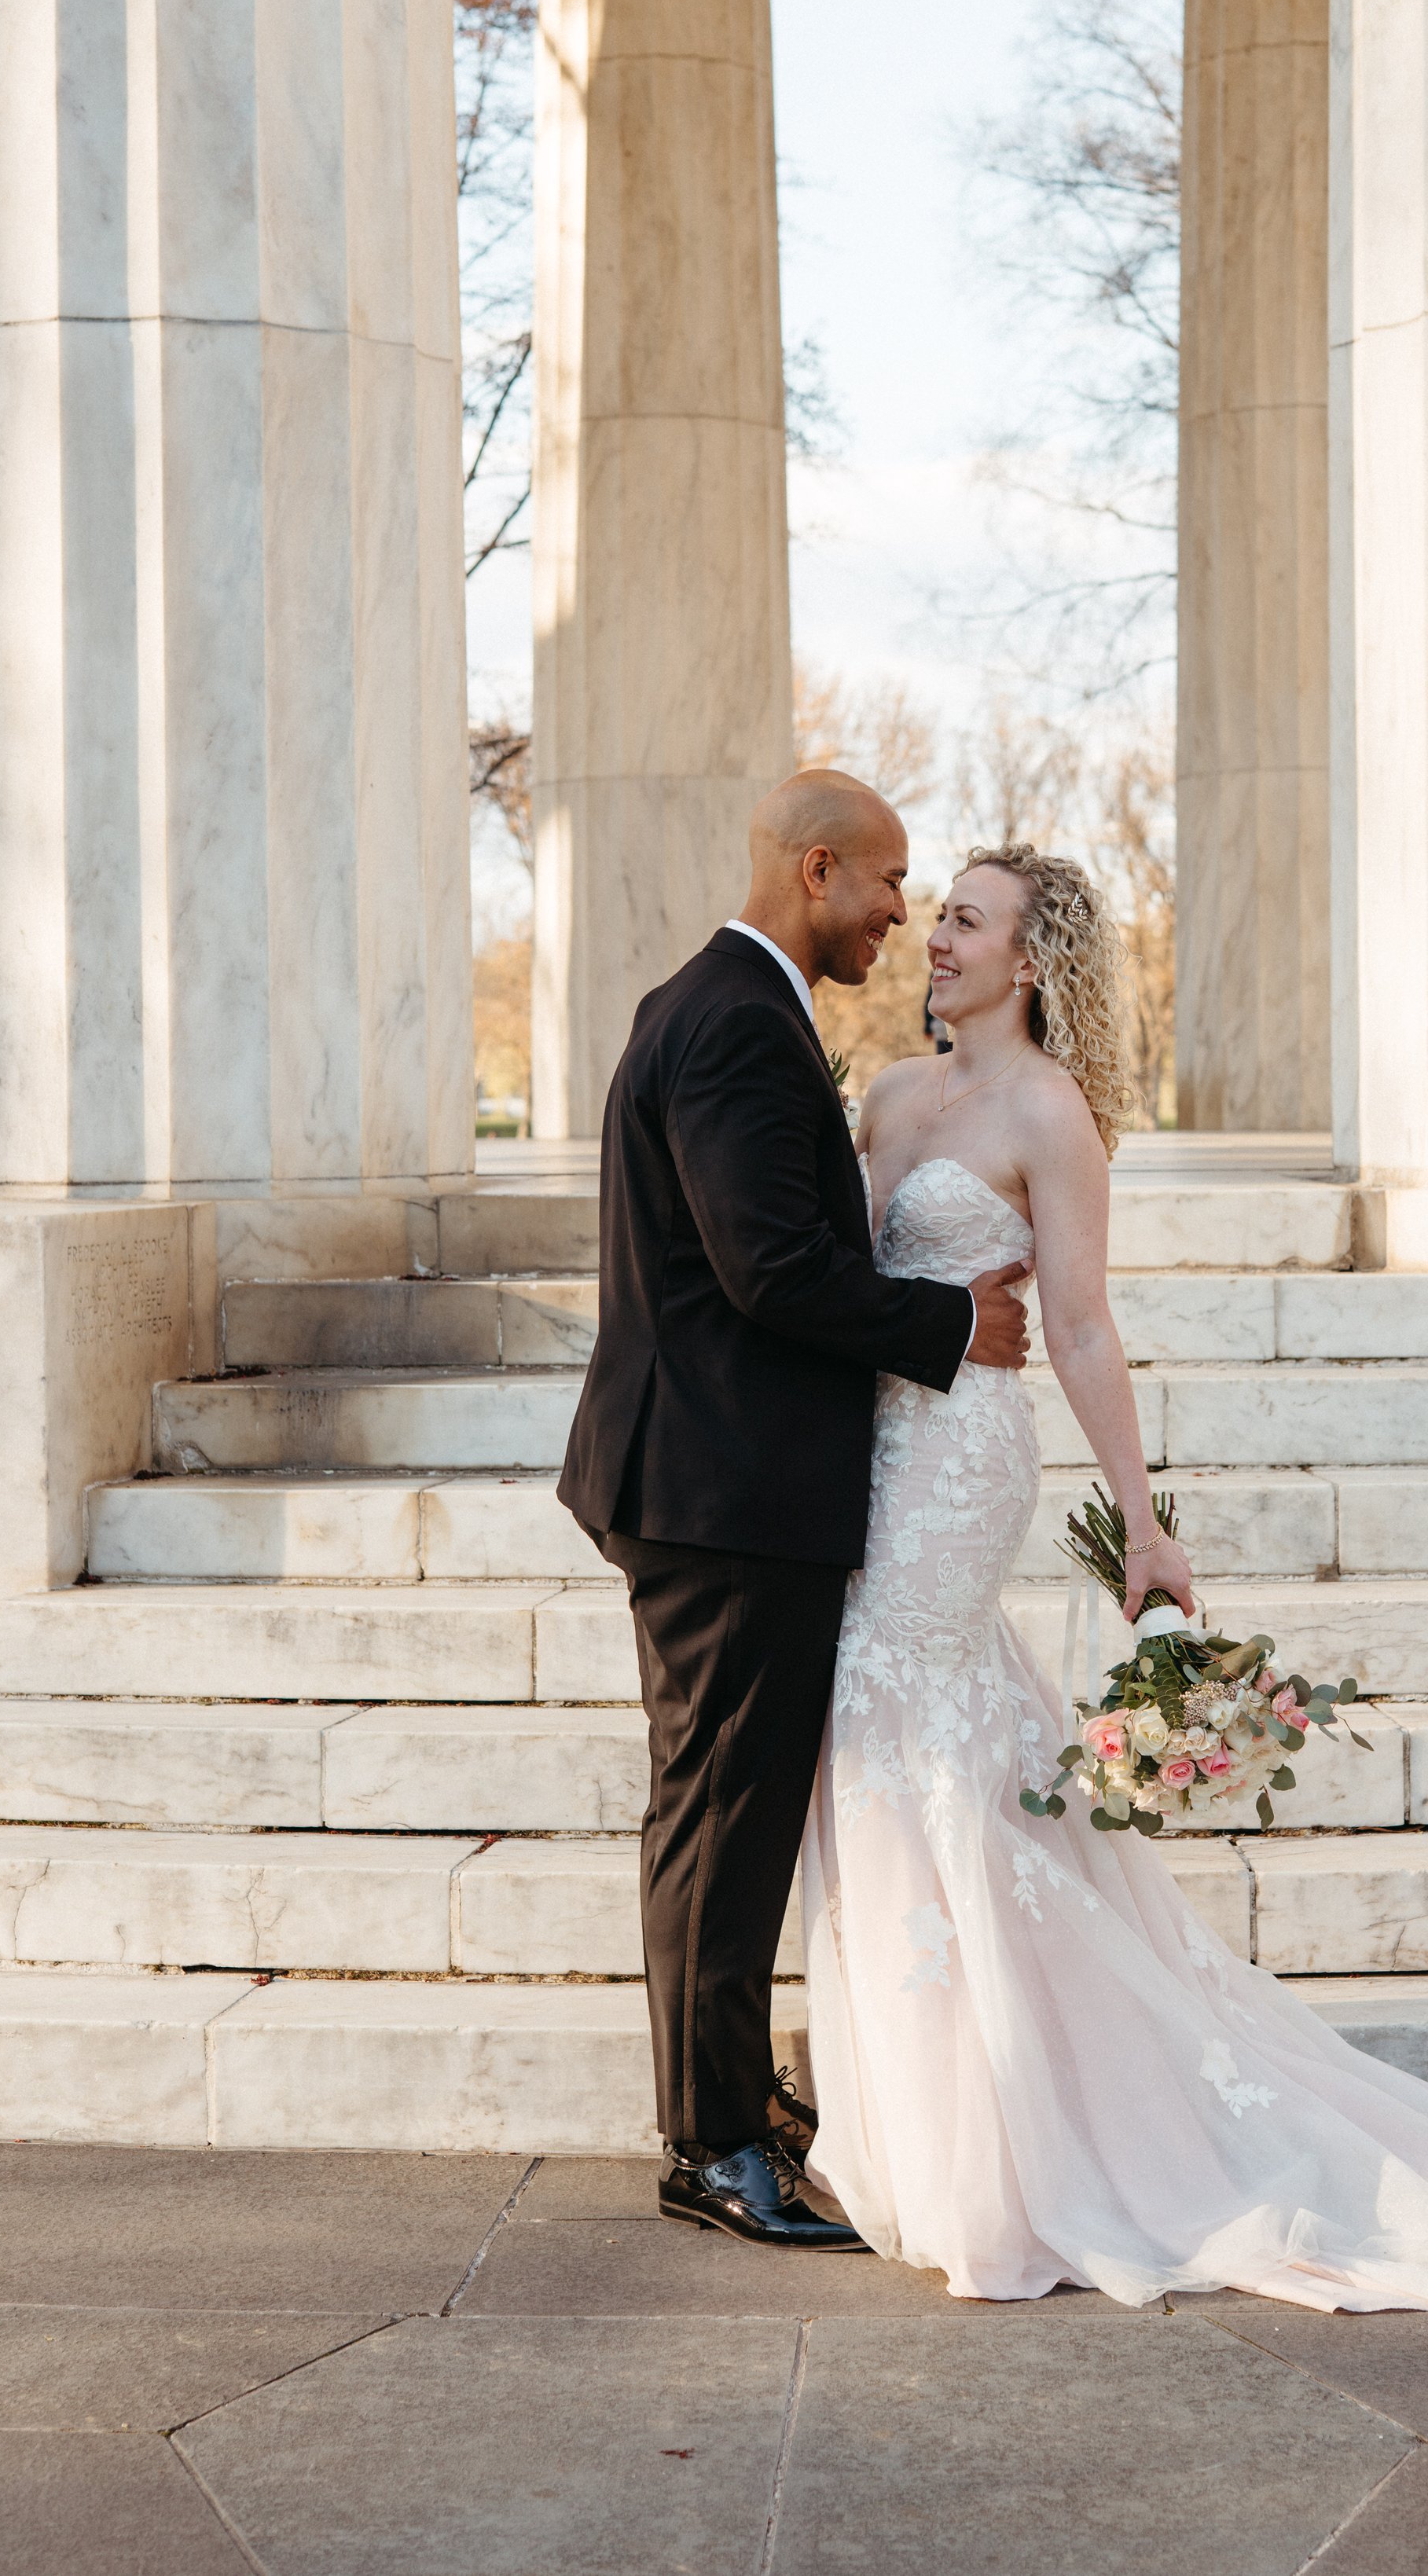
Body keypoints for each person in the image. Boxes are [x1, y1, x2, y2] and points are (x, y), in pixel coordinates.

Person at [798, 840, 1428, 2314]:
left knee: (923, 1744)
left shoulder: (1050, 1117)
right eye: (940, 916)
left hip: (959, 1468)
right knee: (880, 1747)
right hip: (864, 1452)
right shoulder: (888, 1096)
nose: (934, 937)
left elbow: (1081, 1327)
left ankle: (1013, 2140)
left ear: (1030, 961)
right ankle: (926, 2109)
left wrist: (1145, 1527)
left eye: (963, 920)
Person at [560, 770, 1032, 2249]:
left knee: (732, 1812)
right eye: (888, 884)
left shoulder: (711, 1007)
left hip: (714, 1476)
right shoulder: (738, 1028)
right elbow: (769, 1268)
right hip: (721, 1489)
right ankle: (710, 2145)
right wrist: (949, 1325)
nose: (901, 912)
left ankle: (730, 2098)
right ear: (816, 869)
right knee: (715, 1815)